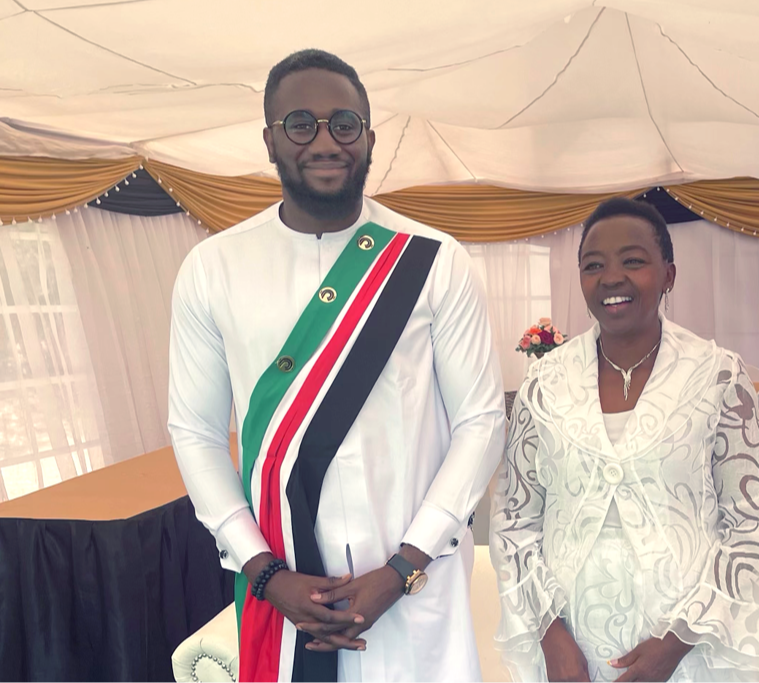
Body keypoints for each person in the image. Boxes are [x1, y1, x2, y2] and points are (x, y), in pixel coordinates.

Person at [167, 49, 506, 683]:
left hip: (412, 583)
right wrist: (264, 573)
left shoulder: (434, 261)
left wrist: (404, 567)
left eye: (344, 124)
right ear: (270, 141)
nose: (325, 141)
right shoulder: (212, 269)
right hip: (282, 587)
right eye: (301, 124)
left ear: (370, 138)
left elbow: (481, 422)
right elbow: (196, 433)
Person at [489, 198, 759, 682]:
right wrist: (550, 637)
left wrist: (675, 644)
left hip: (694, 649)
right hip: (570, 655)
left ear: (668, 275)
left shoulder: (718, 376)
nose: (611, 278)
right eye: (594, 265)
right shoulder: (543, 385)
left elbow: (749, 528)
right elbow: (514, 522)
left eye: (632, 261)